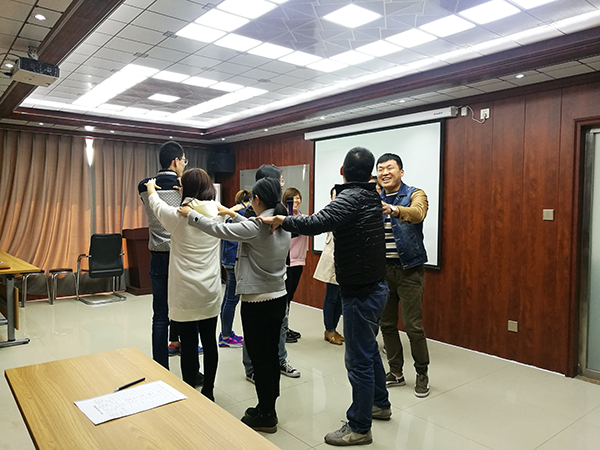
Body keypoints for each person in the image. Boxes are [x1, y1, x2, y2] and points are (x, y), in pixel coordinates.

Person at [260, 147, 391, 446]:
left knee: (358, 361)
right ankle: (379, 404)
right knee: (369, 350)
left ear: (343, 172)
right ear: (370, 174)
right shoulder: (372, 195)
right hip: (376, 287)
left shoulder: (350, 197)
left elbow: (316, 223)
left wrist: (282, 219)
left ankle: (360, 427)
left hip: (360, 292)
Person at [178, 177, 291, 433]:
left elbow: (220, 231)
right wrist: (230, 212)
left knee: (260, 359)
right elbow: (249, 225)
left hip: (258, 302)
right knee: (271, 356)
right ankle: (268, 405)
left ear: (257, 200)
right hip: (278, 298)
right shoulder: (281, 221)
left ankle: (266, 414)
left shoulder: (257, 226)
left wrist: (191, 215)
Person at [145, 168, 222, 401]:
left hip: (186, 293)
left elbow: (157, 206)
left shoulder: (179, 216)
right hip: (210, 291)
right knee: (209, 341)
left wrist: (151, 188)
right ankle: (209, 391)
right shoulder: (216, 212)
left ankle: (191, 392)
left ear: (186, 189)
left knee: (188, 344)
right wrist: (186, 190)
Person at [376, 153, 430, 398]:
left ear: (401, 171)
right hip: (382, 272)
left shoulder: (415, 194)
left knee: (412, 326)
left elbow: (418, 214)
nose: (384, 172)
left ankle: (422, 373)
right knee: (387, 324)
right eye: (380, 169)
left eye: (389, 168)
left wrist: (393, 209)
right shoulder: (374, 198)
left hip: (409, 270)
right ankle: (396, 371)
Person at [242, 164, 301, 381]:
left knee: (281, 320)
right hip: (258, 280)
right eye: (280, 180)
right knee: (254, 328)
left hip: (280, 272)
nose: (283, 184)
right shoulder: (253, 212)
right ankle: (252, 367)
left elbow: (294, 231)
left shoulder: (280, 209)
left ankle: (279, 359)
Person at [138, 141, 185, 370]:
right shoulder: (185, 185)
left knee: (160, 315)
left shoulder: (144, 186)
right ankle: (190, 369)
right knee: (184, 313)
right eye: (183, 161)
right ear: (175, 161)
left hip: (157, 255)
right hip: (181, 256)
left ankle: (160, 367)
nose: (184, 165)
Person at [219, 189, 251, 348]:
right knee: (231, 300)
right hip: (235, 261)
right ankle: (225, 336)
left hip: (228, 259)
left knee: (227, 299)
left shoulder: (233, 212)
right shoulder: (244, 214)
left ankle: (225, 333)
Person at [313, 187, 344, 345]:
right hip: (332, 260)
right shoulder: (331, 212)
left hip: (345, 261)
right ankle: (329, 330)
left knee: (340, 298)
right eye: (335, 196)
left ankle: (333, 329)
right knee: (332, 297)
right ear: (331, 198)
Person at [282, 187, 307, 343]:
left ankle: (285, 327)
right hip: (286, 263)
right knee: (284, 299)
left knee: (290, 296)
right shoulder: (282, 217)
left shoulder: (303, 218)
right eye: (292, 198)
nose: (296, 201)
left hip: (298, 262)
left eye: (298, 198)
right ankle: (282, 329)